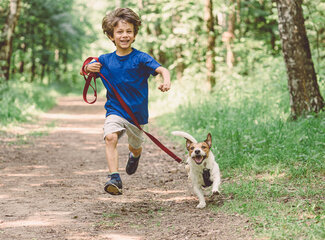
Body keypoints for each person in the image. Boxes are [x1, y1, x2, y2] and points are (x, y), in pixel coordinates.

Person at [81, 8, 171, 195]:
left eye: (128, 31)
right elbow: (85, 69)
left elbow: (162, 70)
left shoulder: (141, 58)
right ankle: (114, 178)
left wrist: (166, 80)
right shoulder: (105, 60)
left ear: (135, 34)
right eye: (119, 32)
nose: (124, 35)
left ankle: (134, 155)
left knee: (135, 146)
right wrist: (89, 68)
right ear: (111, 36)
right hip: (115, 110)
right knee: (110, 137)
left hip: (137, 116)